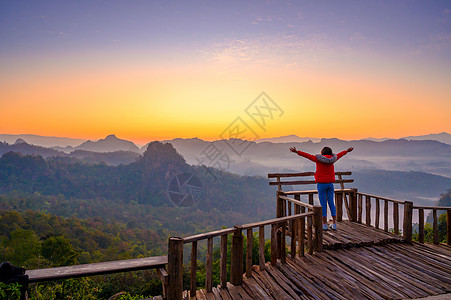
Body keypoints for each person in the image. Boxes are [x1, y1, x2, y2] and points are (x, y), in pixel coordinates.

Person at [289, 145, 354, 230]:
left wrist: (297, 152)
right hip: (330, 184)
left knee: (323, 204)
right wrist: (346, 151)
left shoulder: (318, 159)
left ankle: (324, 224)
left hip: (321, 184)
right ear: (330, 153)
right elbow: (340, 154)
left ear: (322, 153)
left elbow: (307, 156)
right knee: (331, 203)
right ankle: (334, 224)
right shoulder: (333, 159)